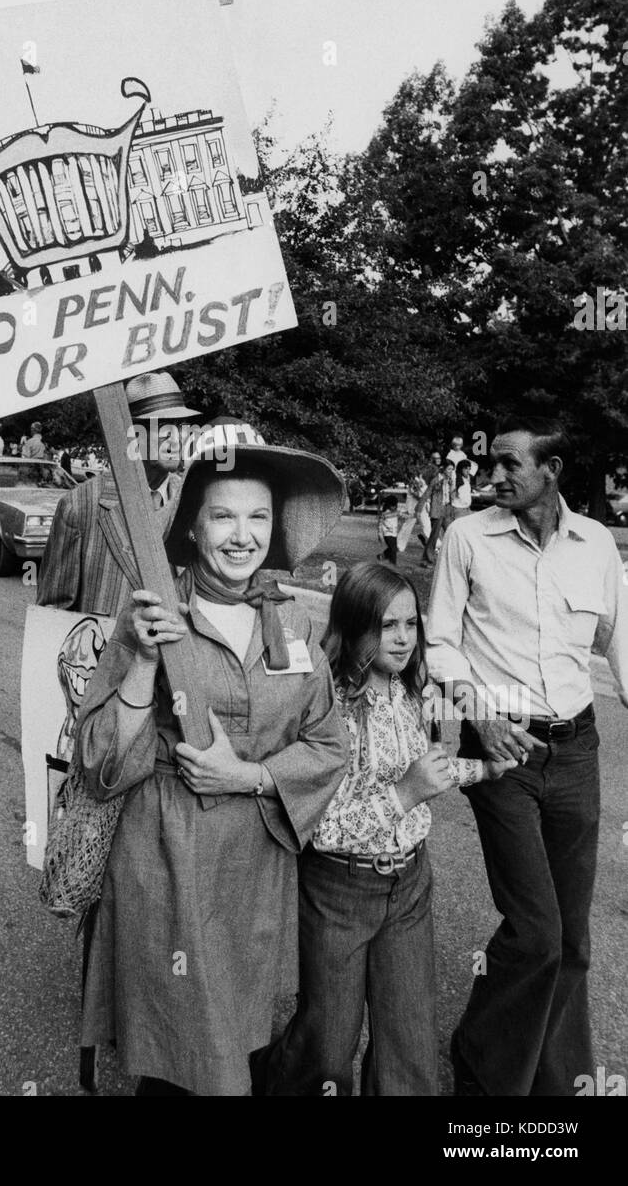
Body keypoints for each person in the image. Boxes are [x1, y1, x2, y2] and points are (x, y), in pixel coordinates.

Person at [75, 431, 349, 1095]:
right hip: (168, 863)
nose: (241, 535)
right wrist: (141, 661)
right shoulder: (149, 620)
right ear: (192, 530)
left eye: (256, 517)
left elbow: (329, 745)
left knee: (239, 1039)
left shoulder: (295, 626)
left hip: (255, 874)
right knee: (181, 1057)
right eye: (222, 516)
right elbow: (98, 763)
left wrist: (250, 776)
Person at [426, 415, 628, 1097]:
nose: (495, 475)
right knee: (536, 933)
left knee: (571, 942)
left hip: (576, 750)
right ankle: (481, 1075)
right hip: (500, 753)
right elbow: (438, 643)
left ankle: (555, 1089)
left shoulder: (595, 544)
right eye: (494, 462)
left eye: (511, 464)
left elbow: (617, 642)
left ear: (553, 470)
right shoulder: (465, 537)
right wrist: (480, 714)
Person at [261, 563, 514, 1096]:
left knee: (410, 1049)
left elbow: (428, 771)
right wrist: (405, 793)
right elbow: (321, 824)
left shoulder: (410, 690)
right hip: (337, 890)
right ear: (354, 627)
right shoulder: (326, 702)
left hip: (409, 886)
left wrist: (486, 768)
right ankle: (267, 1077)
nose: (401, 639)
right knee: (328, 1045)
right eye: (385, 626)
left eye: (409, 624)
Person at [37, 371, 200, 616]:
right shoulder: (80, 506)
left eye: (182, 428)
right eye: (165, 430)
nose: (177, 439)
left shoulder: (194, 499)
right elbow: (53, 615)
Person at [377, 494, 400, 564]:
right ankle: (393, 565)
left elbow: (403, 515)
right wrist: (380, 535)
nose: (394, 507)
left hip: (394, 534)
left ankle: (382, 556)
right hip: (387, 534)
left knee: (394, 548)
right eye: (393, 506)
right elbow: (379, 525)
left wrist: (413, 515)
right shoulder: (384, 514)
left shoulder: (396, 512)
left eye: (395, 505)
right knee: (393, 550)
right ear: (388, 505)